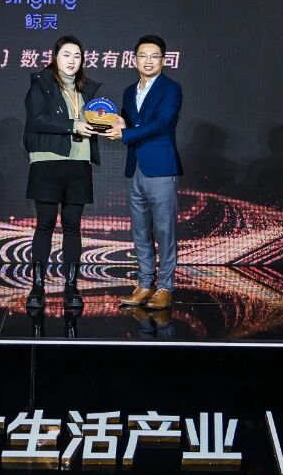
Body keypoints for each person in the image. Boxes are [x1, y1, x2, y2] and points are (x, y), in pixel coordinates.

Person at [23, 35, 104, 313]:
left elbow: (93, 122)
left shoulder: (86, 90)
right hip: (47, 162)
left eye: (77, 56)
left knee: (72, 225)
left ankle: (71, 286)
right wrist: (73, 125)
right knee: (45, 224)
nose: (72, 61)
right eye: (66, 55)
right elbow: (37, 119)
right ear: (55, 57)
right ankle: (37, 286)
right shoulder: (40, 85)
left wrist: (110, 123)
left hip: (79, 164)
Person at [108, 35, 183, 310]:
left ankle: (165, 287)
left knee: (164, 231)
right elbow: (129, 123)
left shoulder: (171, 88)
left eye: (154, 56)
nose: (148, 61)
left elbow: (163, 123)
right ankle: (144, 284)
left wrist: (126, 133)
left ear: (163, 60)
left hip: (161, 168)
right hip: (136, 168)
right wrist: (116, 123)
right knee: (140, 231)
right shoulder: (129, 91)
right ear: (135, 59)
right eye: (143, 55)